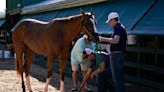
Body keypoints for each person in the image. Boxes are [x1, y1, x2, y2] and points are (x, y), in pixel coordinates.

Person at [99, 12, 127, 92]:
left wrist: (102, 39)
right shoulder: (120, 27)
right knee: (118, 77)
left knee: (117, 78)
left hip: (117, 55)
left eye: (109, 21)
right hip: (119, 55)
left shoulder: (118, 28)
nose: (109, 23)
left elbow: (116, 40)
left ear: (113, 20)